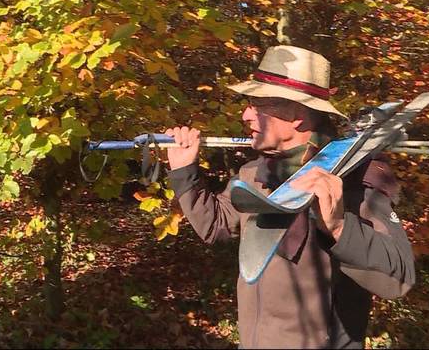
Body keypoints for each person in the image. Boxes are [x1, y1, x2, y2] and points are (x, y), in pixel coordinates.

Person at [164, 46, 415, 349]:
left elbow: (398, 278)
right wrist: (184, 172)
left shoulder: (354, 178)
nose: (245, 115)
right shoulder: (255, 173)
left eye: (259, 105)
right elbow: (215, 226)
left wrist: (338, 227)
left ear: (296, 115)